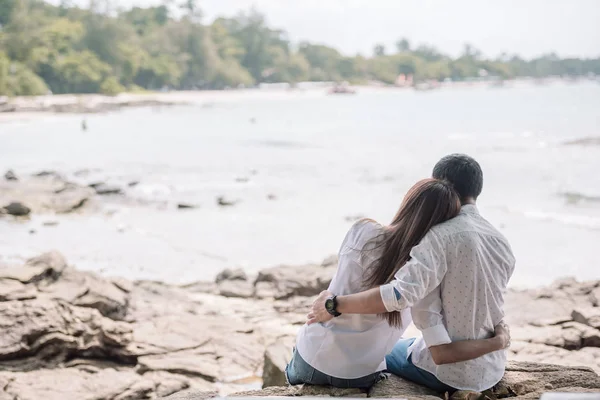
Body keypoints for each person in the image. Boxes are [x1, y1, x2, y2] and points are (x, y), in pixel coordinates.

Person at [307, 154, 515, 393]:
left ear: (438, 185)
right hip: (492, 369)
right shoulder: (501, 242)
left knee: (383, 353)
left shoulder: (440, 235)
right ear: (477, 191)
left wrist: (334, 304)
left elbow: (400, 294)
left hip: (448, 374)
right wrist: (498, 342)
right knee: (407, 343)